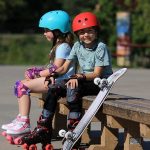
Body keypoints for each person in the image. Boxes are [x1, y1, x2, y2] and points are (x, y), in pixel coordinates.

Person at [21, 12, 113, 149]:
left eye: (89, 31)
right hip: (82, 80)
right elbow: (63, 68)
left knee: (73, 89)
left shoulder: (101, 47)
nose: (86, 35)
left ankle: (73, 131)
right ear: (77, 34)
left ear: (96, 31)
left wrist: (78, 77)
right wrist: (51, 75)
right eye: (81, 32)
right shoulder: (77, 46)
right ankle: (43, 129)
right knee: (54, 87)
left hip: (99, 83)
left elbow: (97, 74)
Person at [1, 10, 75, 137]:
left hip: (60, 82)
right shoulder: (59, 45)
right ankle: (21, 118)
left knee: (22, 86)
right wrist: (38, 70)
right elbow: (52, 67)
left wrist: (37, 74)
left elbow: (56, 68)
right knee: (21, 84)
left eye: (46, 30)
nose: (44, 33)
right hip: (56, 79)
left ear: (57, 30)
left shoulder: (63, 46)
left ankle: (24, 123)